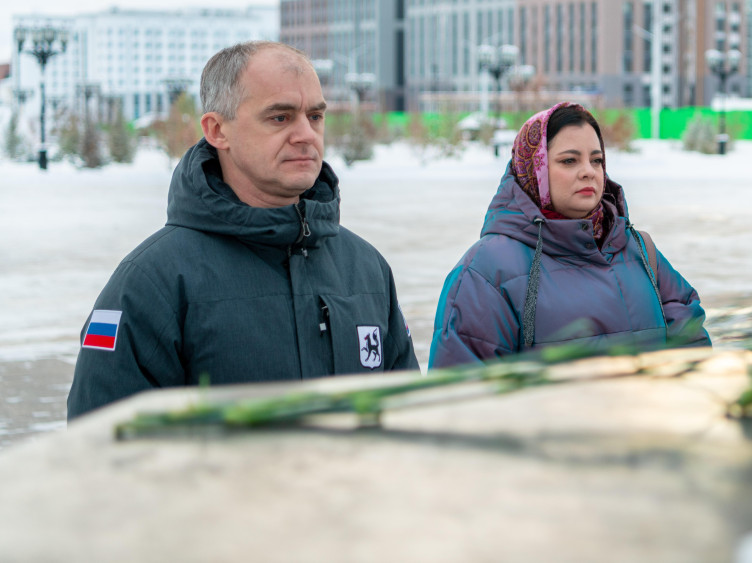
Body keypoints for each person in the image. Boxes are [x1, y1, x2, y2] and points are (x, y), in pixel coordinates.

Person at [67, 41, 419, 419]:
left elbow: (411, 422)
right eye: (280, 118)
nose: (306, 134)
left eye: (315, 116)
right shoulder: (150, 282)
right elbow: (104, 442)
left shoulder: (366, 268)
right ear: (218, 130)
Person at [429, 102, 709, 367]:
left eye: (596, 160)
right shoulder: (485, 271)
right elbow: (462, 388)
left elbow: (692, 348)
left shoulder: (639, 250)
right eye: (569, 161)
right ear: (534, 169)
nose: (588, 172)